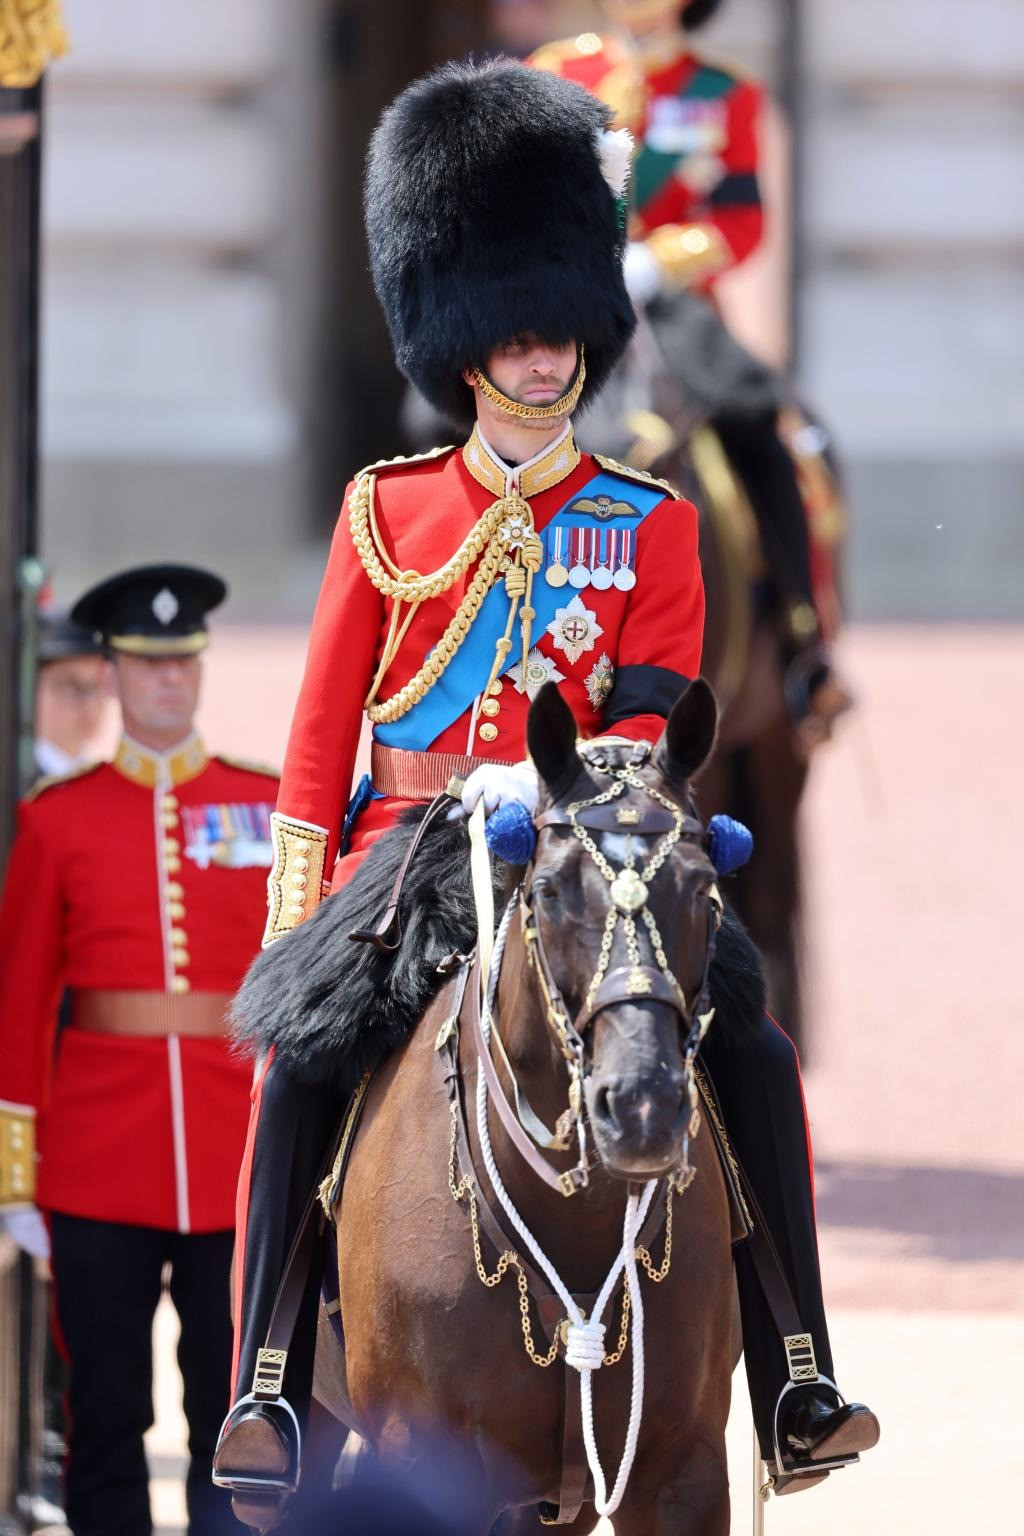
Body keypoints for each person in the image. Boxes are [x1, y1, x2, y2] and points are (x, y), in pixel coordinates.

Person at [212, 58, 877, 1525]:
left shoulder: (646, 525)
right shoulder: (386, 510)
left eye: (558, 339)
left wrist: (576, 792)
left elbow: (655, 715)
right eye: (513, 341)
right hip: (411, 852)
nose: (540, 363)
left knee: (750, 1046)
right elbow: (324, 733)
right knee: (300, 1067)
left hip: (593, 846)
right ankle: (264, 1377)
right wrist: (300, 905)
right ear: (467, 350)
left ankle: (794, 1368)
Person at [0, 564, 279, 1536]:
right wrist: (17, 1178)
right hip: (94, 1165)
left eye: (184, 665)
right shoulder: (57, 818)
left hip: (230, 1154)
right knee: (107, 1412)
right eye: (149, 667)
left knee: (233, 1411)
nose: (170, 683)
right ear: (114, 674)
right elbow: (22, 1001)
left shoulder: (263, 801)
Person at [532, 1, 852, 748]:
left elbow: (741, 218)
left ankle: (804, 645)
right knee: (434, 419)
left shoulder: (721, 92)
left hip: (673, 308)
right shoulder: (552, 74)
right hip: (567, 300)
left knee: (756, 424)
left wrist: (658, 261)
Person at [34, 609, 111, 778]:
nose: (89, 704)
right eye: (71, 687)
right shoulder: (12, 783)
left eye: (97, 686)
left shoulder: (101, 780)